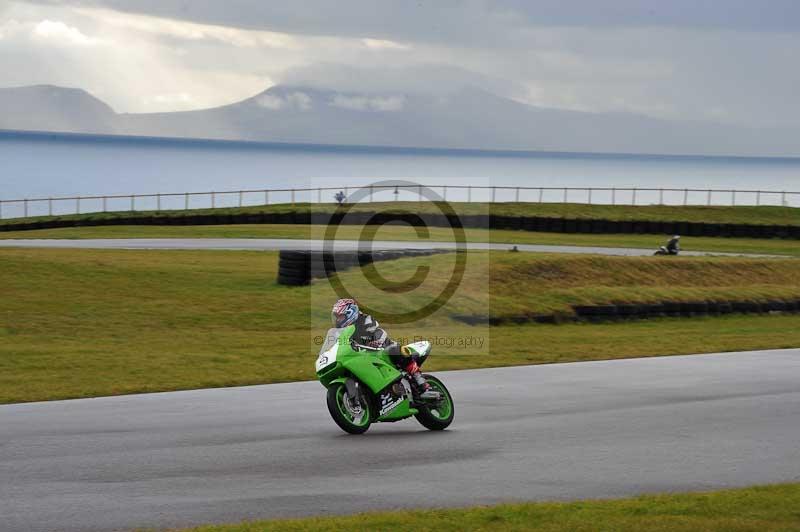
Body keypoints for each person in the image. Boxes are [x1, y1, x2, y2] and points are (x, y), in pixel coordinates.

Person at [331, 298, 437, 399]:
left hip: (382, 349)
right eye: (336, 317)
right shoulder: (340, 333)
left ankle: (422, 384)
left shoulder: (364, 320)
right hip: (363, 357)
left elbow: (380, 332)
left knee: (394, 349)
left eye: (340, 317)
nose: (337, 320)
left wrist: (377, 342)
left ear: (350, 314)